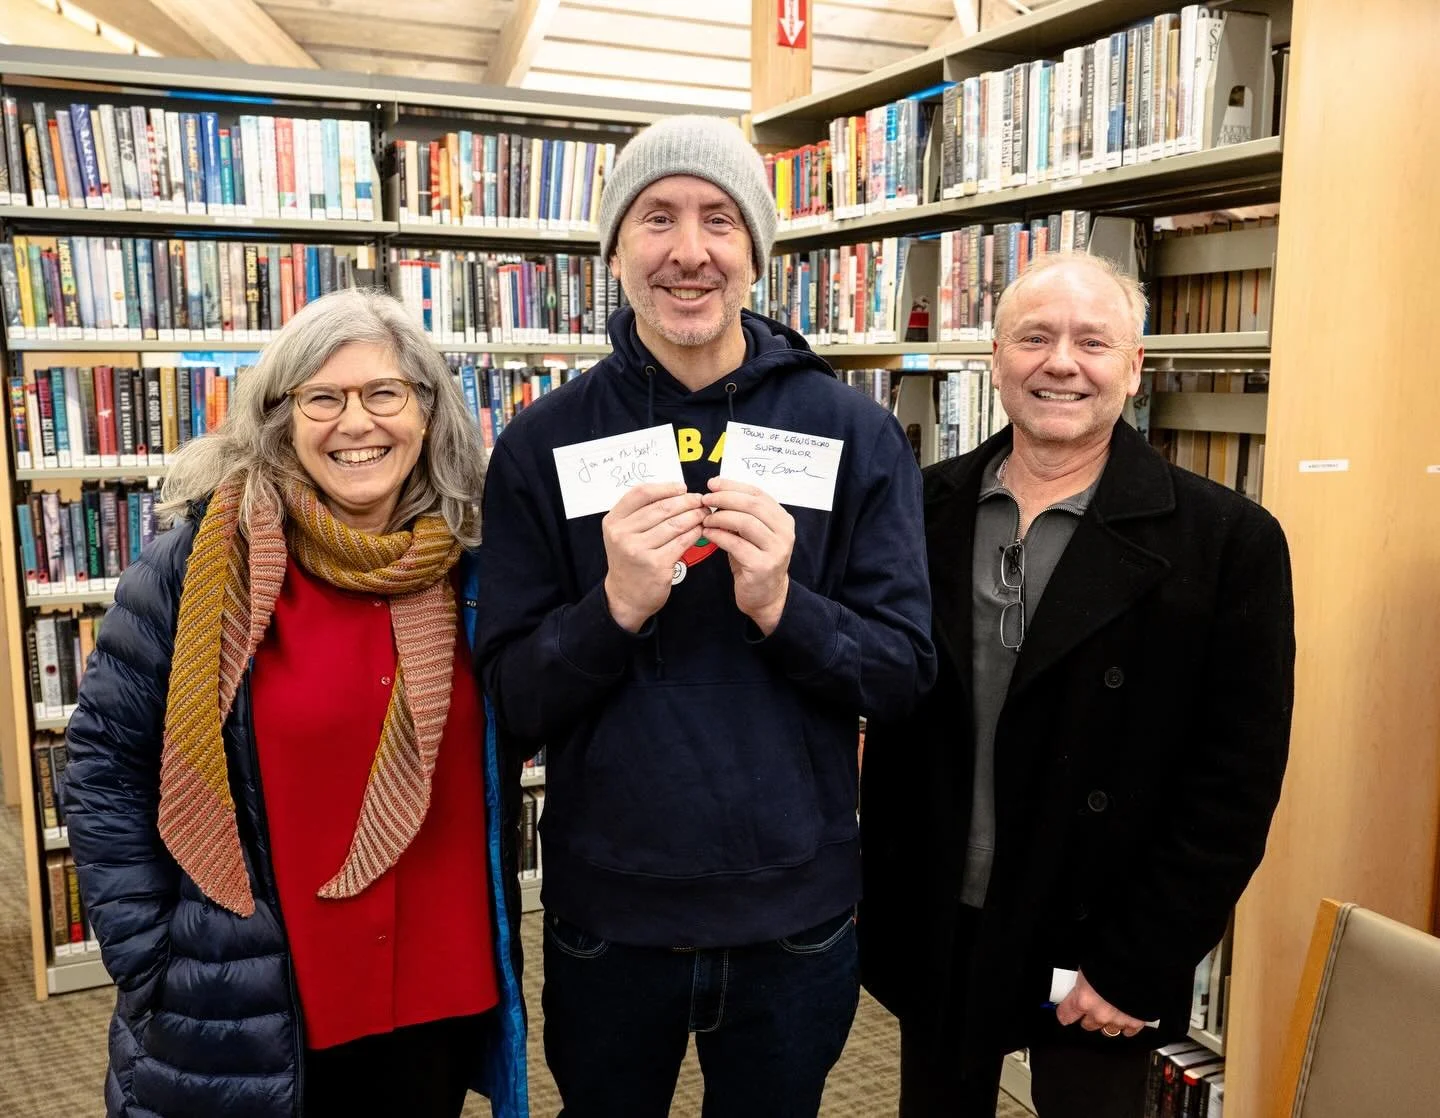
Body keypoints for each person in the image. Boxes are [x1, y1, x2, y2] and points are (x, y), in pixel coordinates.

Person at [476, 115, 936, 1118]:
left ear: (756, 254)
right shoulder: (541, 444)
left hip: (796, 917)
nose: (688, 250)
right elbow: (506, 704)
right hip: (609, 912)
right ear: (614, 249)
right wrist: (615, 607)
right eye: (657, 218)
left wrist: (782, 603)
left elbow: (901, 678)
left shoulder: (852, 433)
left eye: (720, 219)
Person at [61, 289, 528, 1118]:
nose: (358, 423)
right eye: (323, 397)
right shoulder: (197, 566)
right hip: (258, 996)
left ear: (428, 411)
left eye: (385, 393)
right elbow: (104, 759)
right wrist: (144, 952)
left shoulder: (479, 567)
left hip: (439, 992)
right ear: (280, 416)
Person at [857, 253, 1295, 1117]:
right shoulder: (915, 508)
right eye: (1035, 337)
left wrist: (1143, 959)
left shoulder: (1227, 542)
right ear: (996, 359)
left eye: (1093, 341)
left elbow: (1235, 785)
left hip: (1099, 936)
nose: (1061, 362)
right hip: (936, 918)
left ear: (1134, 369)